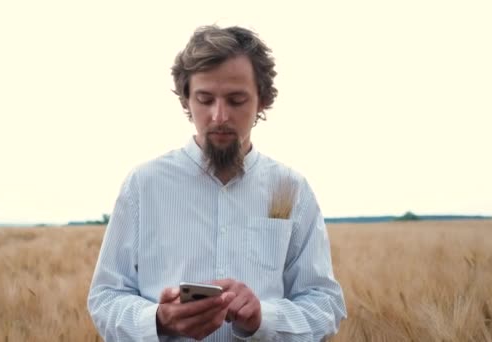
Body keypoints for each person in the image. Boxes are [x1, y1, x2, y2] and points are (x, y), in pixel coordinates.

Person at [87, 25, 347, 341]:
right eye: (205, 99)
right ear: (186, 100)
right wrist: (159, 319)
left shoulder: (291, 189)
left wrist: (262, 319)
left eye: (236, 100)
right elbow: (105, 298)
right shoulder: (144, 184)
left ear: (262, 100)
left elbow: (325, 304)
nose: (219, 116)